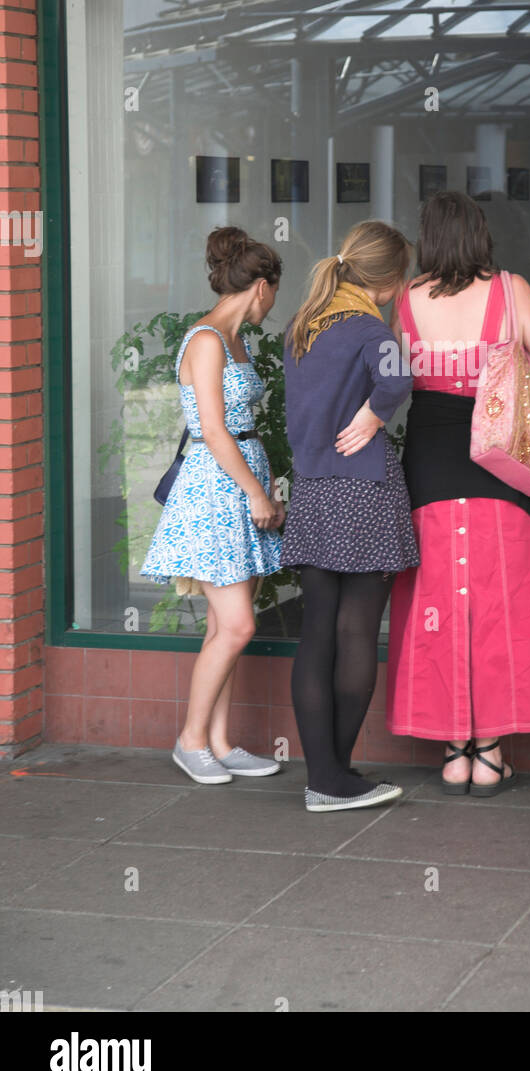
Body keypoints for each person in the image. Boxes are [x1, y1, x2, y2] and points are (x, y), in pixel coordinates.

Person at [386, 191, 530, 795]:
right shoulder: (511, 290)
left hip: (430, 470)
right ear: (481, 235)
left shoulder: (407, 299)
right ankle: (491, 751)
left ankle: (452, 750)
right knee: (502, 608)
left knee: (436, 606)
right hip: (503, 467)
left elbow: (396, 380)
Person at [282, 220, 419, 813]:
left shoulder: (303, 327)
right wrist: (374, 414)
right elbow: (399, 376)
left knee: (317, 632)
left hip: (313, 492)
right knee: (357, 631)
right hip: (363, 490)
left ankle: (325, 775)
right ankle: (332, 779)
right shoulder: (369, 328)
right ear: (388, 283)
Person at [141, 226, 286, 785]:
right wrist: (255, 493)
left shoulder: (232, 340)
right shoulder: (205, 340)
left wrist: (259, 487)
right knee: (238, 626)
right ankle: (191, 741)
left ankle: (220, 742)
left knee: (222, 628)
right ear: (262, 286)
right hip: (215, 488)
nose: (274, 305)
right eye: (275, 293)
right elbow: (213, 429)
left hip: (238, 482)